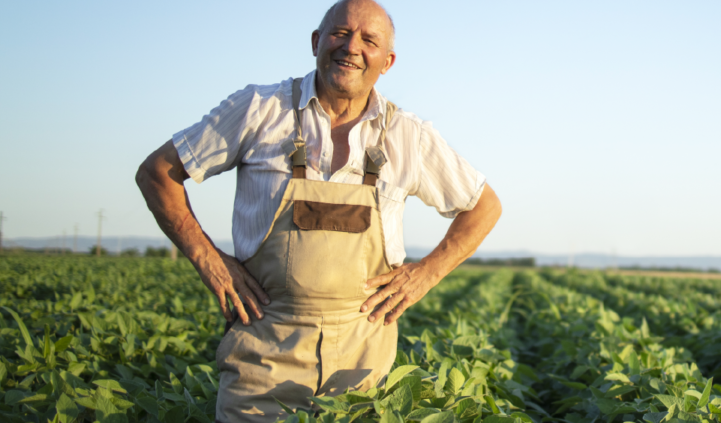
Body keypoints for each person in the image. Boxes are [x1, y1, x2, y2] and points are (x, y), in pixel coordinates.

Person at [134, 0, 502, 421]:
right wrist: (209, 259)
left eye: (369, 40)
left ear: (388, 61)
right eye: (340, 33)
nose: (351, 47)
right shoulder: (260, 110)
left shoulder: (407, 135)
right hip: (264, 363)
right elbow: (157, 173)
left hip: (362, 370)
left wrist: (426, 274)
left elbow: (483, 207)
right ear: (316, 42)